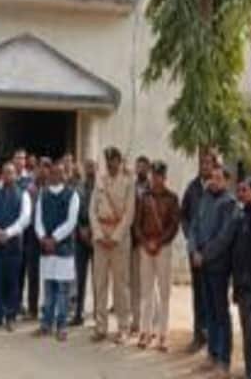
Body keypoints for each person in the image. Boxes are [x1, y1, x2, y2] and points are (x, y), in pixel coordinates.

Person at [203, 177, 251, 379]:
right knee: (247, 330)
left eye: (244, 190)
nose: (241, 194)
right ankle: (250, 370)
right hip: (242, 284)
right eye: (239, 190)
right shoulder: (242, 215)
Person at [188, 165, 236, 374]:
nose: (214, 181)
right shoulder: (205, 198)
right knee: (208, 312)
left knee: (220, 312)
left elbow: (224, 237)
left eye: (218, 178)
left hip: (218, 266)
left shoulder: (229, 203)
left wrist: (204, 254)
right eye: (212, 177)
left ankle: (224, 360)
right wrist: (193, 250)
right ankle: (212, 354)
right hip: (202, 265)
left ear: (226, 181)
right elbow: (194, 226)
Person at [90, 146, 135, 344]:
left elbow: (129, 213)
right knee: (99, 284)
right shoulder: (100, 181)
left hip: (120, 239)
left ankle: (123, 328)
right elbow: (92, 210)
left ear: (119, 161)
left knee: (120, 286)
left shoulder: (128, 182)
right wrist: (99, 234)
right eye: (108, 161)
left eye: (113, 160)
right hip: (100, 238)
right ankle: (101, 326)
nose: (110, 164)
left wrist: (115, 236)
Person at [133, 161, 180, 352]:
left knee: (164, 292)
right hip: (146, 247)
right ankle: (145, 332)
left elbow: (174, 225)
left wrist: (158, 243)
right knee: (146, 292)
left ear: (164, 177)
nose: (156, 179)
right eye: (154, 175)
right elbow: (137, 224)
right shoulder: (144, 197)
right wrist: (145, 243)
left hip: (163, 247)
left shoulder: (172, 198)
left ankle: (163, 334)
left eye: (159, 175)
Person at [33, 160, 79, 341]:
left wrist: (55, 238)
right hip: (46, 248)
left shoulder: (72, 195)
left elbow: (71, 222)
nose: (56, 175)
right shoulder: (43, 194)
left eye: (60, 172)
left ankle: (62, 326)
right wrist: (42, 237)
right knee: (48, 288)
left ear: (65, 175)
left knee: (63, 290)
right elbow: (38, 219)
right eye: (53, 172)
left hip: (63, 249)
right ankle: (46, 324)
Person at [0, 162, 32, 331]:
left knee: (13, 282)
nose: (8, 176)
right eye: (5, 173)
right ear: (2, 176)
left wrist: (8, 233)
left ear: (16, 175)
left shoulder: (23, 194)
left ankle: (11, 317)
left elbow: (25, 218)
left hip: (14, 244)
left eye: (11, 173)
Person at [181, 150, 216, 352]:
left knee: (212, 294)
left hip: (212, 252)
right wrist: (190, 239)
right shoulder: (192, 188)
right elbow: (184, 215)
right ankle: (198, 335)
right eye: (202, 163)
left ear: (214, 166)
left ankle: (212, 337)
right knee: (198, 294)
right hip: (194, 251)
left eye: (208, 163)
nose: (205, 166)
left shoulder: (216, 188)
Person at [70, 159, 96, 327]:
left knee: (98, 279)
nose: (89, 170)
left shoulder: (101, 188)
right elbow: (74, 211)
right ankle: (78, 313)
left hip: (97, 237)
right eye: (87, 167)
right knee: (80, 277)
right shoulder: (78, 188)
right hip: (80, 237)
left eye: (92, 167)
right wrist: (81, 228)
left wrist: (93, 230)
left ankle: (98, 315)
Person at [15, 149, 41, 319]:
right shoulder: (8, 178)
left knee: (32, 271)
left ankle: (32, 308)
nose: (20, 161)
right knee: (16, 269)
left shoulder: (31, 181)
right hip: (15, 230)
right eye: (17, 158)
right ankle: (16, 304)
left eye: (22, 158)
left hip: (30, 230)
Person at [130, 155, 151, 335]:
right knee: (135, 283)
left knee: (150, 284)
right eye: (138, 167)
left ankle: (150, 322)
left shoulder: (153, 188)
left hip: (149, 242)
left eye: (143, 167)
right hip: (133, 241)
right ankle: (136, 321)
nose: (140, 170)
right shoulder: (130, 187)